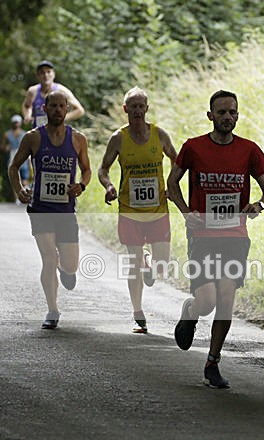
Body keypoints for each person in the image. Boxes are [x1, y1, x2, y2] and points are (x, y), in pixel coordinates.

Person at [167, 90, 264, 389]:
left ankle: (212, 362)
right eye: (222, 112)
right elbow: (172, 183)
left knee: (226, 298)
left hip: (235, 236)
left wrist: (259, 205)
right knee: (207, 301)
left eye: (232, 112)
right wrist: (186, 211)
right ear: (210, 115)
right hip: (202, 235)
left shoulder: (249, 150)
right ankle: (191, 312)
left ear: (237, 115)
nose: (228, 117)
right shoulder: (193, 147)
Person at [8, 91, 92, 329]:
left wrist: (81, 185)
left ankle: (65, 269)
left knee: (70, 265)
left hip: (65, 210)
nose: (57, 110)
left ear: (67, 109)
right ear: (44, 109)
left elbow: (87, 170)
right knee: (49, 258)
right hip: (40, 208)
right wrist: (19, 190)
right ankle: (52, 310)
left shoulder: (78, 139)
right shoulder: (33, 138)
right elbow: (14, 167)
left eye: (61, 106)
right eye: (52, 106)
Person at [97, 87, 178, 333]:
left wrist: (172, 185)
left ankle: (150, 263)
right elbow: (103, 169)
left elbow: (177, 160)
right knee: (134, 262)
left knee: (162, 263)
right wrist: (109, 186)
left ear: (147, 108)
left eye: (141, 106)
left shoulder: (159, 135)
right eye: (133, 106)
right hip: (130, 209)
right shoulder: (118, 138)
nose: (138, 111)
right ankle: (138, 312)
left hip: (157, 209)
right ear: (126, 109)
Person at [21, 60, 84, 128]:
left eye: (48, 72)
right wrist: (27, 116)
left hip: (57, 131)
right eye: (42, 72)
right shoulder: (32, 91)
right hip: (38, 131)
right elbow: (26, 106)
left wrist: (62, 118)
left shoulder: (62, 91)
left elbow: (80, 110)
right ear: (37, 76)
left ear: (53, 74)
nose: (46, 75)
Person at [2, 114, 31, 204]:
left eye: (17, 122)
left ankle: (26, 196)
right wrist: (6, 147)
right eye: (14, 122)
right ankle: (17, 198)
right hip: (12, 157)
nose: (16, 124)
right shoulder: (7, 134)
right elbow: (3, 146)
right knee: (14, 178)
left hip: (24, 157)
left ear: (20, 123)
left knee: (25, 179)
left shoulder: (25, 134)